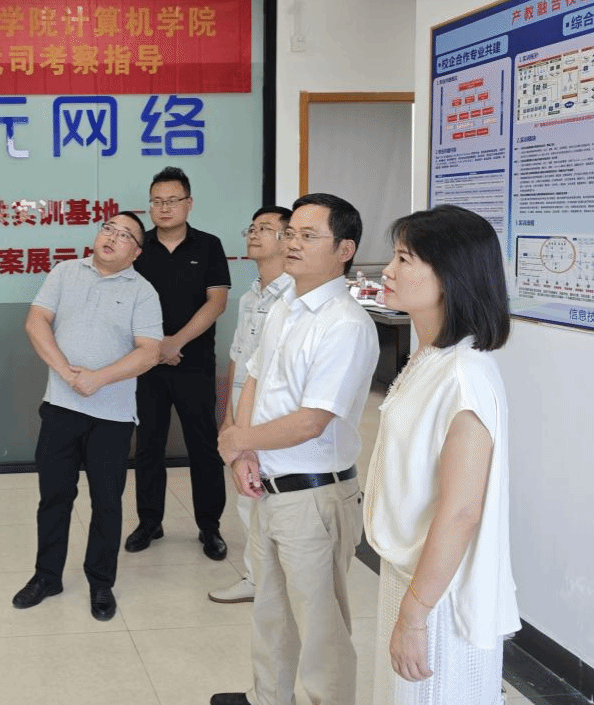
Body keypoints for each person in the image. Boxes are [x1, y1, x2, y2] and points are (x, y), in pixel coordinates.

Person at [212, 192, 380, 705]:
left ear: (344, 250)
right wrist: (244, 453)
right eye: (290, 233)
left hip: (313, 497)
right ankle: (268, 698)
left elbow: (312, 420)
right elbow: (254, 377)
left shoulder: (345, 324)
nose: (293, 243)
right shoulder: (285, 305)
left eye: (309, 236)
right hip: (269, 485)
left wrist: (238, 440)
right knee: (271, 612)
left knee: (321, 632)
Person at [365, 205, 519, 704]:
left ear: (450, 277)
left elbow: (460, 512)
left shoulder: (463, 376)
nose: (388, 270)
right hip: (413, 573)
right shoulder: (431, 356)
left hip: (440, 597)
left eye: (404, 259)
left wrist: (414, 616)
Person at [12, 212, 163, 621]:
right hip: (60, 408)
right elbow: (36, 322)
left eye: (125, 235)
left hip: (112, 417)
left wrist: (98, 378)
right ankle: (47, 576)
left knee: (106, 502)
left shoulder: (143, 292)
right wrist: (67, 373)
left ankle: (101, 582)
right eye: (108, 228)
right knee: (54, 497)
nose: (112, 237)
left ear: (136, 252)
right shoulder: (65, 272)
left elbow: (149, 351)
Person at [125, 166, 232, 561]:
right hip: (145, 364)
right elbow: (123, 301)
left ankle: (210, 526)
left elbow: (216, 302)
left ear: (189, 203)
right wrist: (155, 348)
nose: (164, 207)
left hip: (194, 362)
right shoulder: (137, 248)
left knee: (203, 445)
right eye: (157, 201)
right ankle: (149, 521)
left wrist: (175, 342)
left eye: (172, 200)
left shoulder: (209, 245)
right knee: (148, 445)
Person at [208, 204, 292, 605]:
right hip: (243, 412)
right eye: (252, 228)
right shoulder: (248, 297)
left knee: (278, 500)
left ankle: (280, 582)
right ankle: (256, 577)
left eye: (265, 228)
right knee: (248, 497)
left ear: (287, 240)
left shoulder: (294, 298)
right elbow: (237, 358)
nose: (254, 234)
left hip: (274, 415)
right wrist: (228, 417)